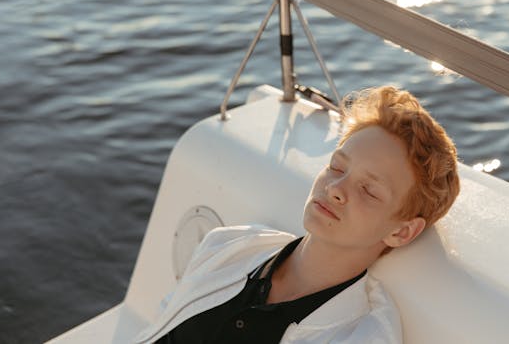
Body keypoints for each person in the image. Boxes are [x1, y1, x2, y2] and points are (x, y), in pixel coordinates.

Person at [134, 86, 460, 344]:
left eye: (369, 190)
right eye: (337, 166)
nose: (335, 188)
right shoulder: (229, 245)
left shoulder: (361, 337)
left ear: (401, 232)